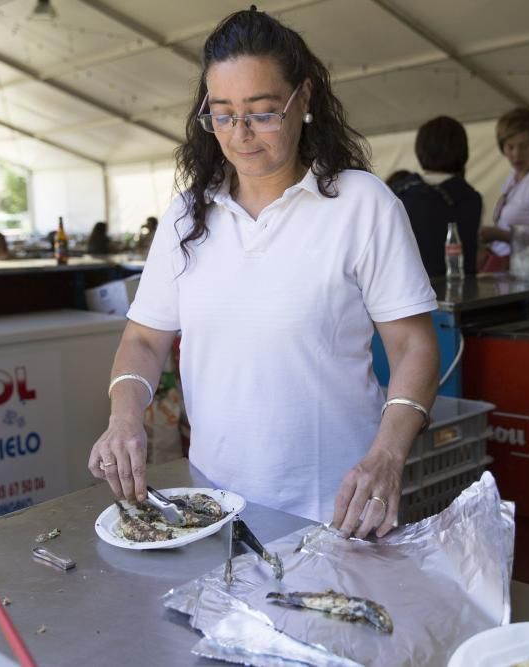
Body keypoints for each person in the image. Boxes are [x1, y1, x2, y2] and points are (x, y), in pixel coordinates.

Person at [87, 7, 439, 539]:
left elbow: (414, 346)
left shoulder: (361, 204)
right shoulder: (187, 215)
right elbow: (143, 337)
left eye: (263, 111)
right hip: (213, 508)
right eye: (224, 114)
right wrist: (123, 419)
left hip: (338, 505)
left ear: (305, 100)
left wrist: (388, 455)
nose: (242, 133)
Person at [395, 116, 482, 277]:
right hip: (462, 295)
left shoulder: (399, 194)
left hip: (407, 296)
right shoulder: (470, 199)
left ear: (420, 151)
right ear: (463, 152)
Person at [478, 108, 529, 272]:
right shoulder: (515, 175)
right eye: (510, 147)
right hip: (508, 266)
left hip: (527, 270)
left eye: (524, 146)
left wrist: (499, 235)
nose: (517, 154)